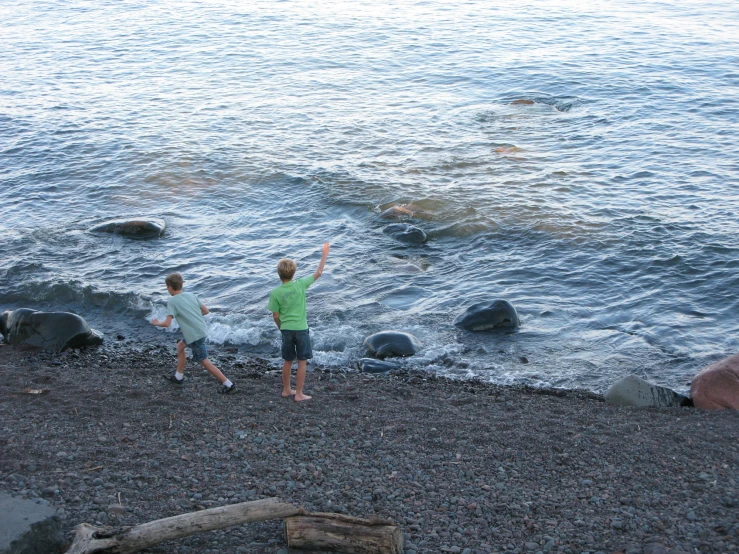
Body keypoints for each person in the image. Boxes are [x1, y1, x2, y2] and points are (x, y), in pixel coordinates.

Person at [151, 273, 236, 394]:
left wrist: (156, 323)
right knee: (180, 346)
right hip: (201, 330)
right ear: (181, 285)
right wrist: (192, 317)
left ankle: (228, 384)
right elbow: (206, 311)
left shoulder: (172, 301)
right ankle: (178, 377)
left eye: (166, 286)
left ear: (169, 287)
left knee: (205, 361)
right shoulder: (191, 295)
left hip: (194, 336)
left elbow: (167, 324)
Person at [268, 242, 330, 402]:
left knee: (287, 360)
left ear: (279, 274)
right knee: (302, 362)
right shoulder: (301, 284)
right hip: (301, 329)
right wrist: (324, 255)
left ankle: (287, 389)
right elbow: (319, 272)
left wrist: (281, 327)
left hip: (286, 330)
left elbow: (275, 315)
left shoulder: (275, 293)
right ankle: (299, 394)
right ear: (294, 273)